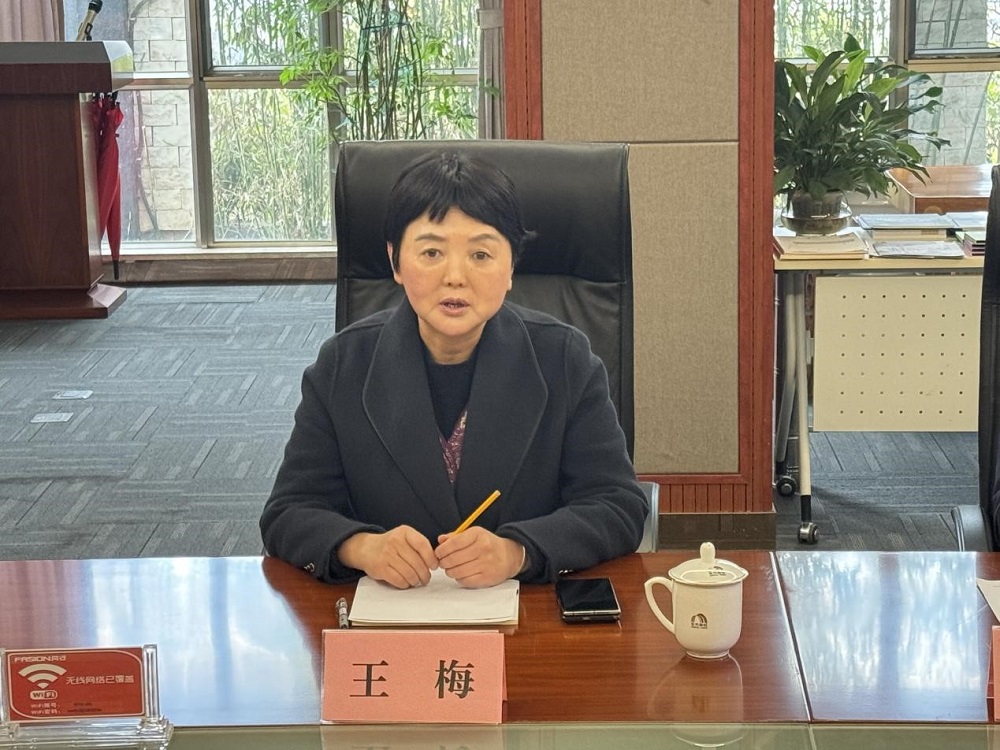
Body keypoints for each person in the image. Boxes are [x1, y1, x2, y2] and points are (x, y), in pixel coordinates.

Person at [260, 151, 646, 589]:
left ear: (511, 267)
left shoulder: (565, 360)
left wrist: (518, 552)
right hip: (388, 615)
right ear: (395, 261)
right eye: (431, 252)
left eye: (481, 254)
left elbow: (618, 505)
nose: (456, 276)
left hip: (522, 612)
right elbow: (287, 513)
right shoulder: (342, 365)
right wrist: (361, 547)